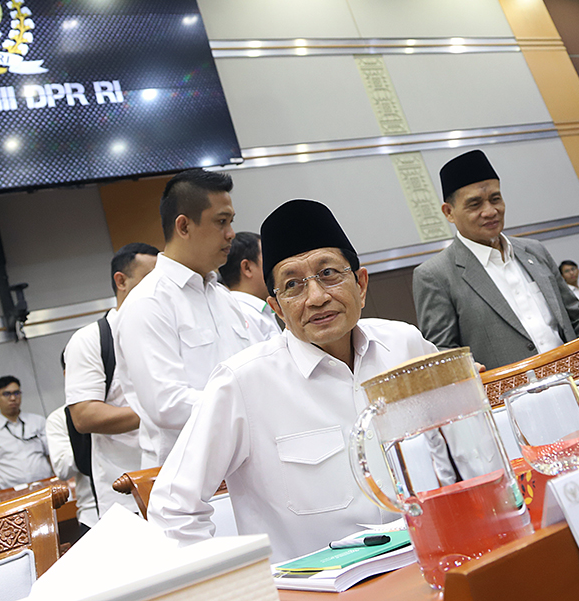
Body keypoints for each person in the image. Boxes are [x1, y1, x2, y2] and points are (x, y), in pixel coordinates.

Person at [148, 199, 440, 562]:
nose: (317, 298)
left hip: (433, 558)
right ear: (277, 309)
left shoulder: (406, 346)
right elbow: (173, 508)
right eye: (293, 285)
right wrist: (238, 586)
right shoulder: (242, 383)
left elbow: (454, 445)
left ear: (361, 284)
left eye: (329, 274)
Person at [116, 169, 265, 467]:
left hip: (248, 460)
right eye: (221, 222)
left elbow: (263, 368)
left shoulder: (223, 297)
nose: (231, 234)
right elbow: (166, 405)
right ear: (183, 226)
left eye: (231, 222)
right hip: (189, 476)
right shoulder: (148, 303)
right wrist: (253, 403)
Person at [412, 149, 579, 371]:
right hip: (509, 400)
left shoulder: (534, 251)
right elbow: (443, 353)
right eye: (475, 204)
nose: (490, 211)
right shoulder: (435, 275)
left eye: (495, 199)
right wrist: (464, 370)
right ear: (449, 212)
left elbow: (578, 317)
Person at [64, 242, 159, 518]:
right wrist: (161, 412)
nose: (159, 290)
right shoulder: (91, 339)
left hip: (181, 479)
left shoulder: (167, 330)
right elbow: (84, 416)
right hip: (123, 491)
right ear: (122, 281)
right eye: (150, 280)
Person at [219, 231, 282, 340]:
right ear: (247, 268)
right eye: (267, 260)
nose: (274, 268)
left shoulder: (258, 311)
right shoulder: (242, 314)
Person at [45, 406, 97, 536]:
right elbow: (62, 470)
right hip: (93, 514)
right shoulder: (59, 417)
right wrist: (82, 437)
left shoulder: (126, 404)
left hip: (137, 501)